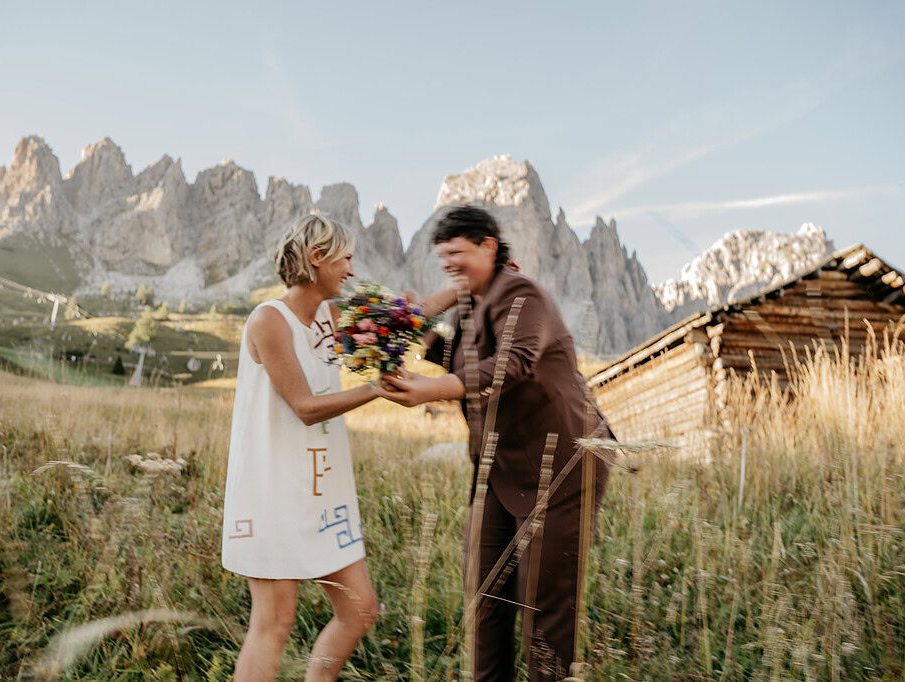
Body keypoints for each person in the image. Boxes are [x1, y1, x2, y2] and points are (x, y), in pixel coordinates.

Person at [379, 205, 614, 680]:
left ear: (489, 245)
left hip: (563, 466)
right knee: (484, 597)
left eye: (457, 253)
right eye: (442, 255)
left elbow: (512, 365)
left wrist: (430, 390)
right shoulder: (478, 301)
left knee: (543, 611)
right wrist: (417, 328)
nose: (448, 263)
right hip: (501, 471)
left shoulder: (522, 293)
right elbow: (460, 359)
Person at [222, 214, 380, 681]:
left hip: (324, 494)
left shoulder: (331, 318)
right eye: (346, 258)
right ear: (317, 258)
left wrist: (469, 285)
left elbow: (400, 315)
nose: (351, 270)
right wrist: (376, 390)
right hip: (272, 489)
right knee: (275, 623)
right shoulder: (269, 320)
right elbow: (305, 407)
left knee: (361, 609)